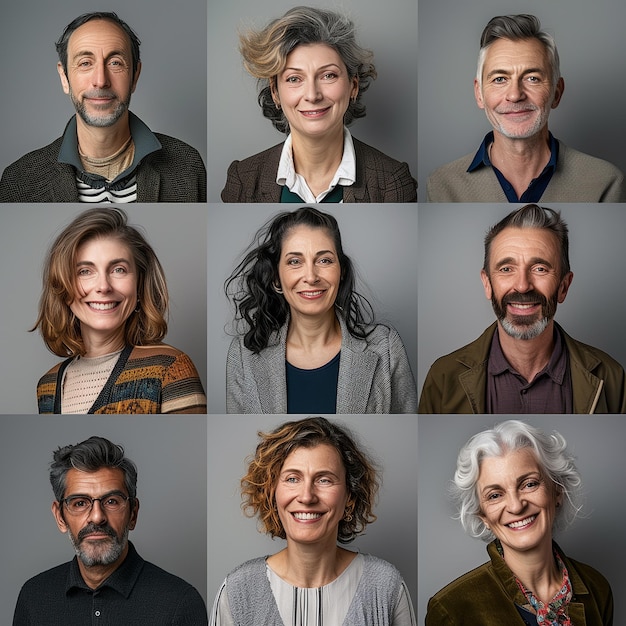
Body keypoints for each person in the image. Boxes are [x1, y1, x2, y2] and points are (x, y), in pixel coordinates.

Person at [419, 204, 626, 413]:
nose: (522, 285)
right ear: (487, 284)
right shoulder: (443, 378)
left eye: (540, 269)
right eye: (507, 269)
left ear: (563, 287)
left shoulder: (611, 377)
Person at [210, 416, 416, 625]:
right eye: (292, 479)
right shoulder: (238, 590)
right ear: (272, 493)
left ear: (349, 497)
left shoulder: (386, 586)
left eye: (324, 479)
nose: (307, 496)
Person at [225, 207, 417, 413]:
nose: (311, 276)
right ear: (275, 278)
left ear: (341, 271)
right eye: (295, 261)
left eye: (324, 260)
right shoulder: (243, 354)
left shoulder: (385, 347)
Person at [0, 12, 206, 202]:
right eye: (85, 63)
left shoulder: (188, 166)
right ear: (64, 77)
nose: (100, 80)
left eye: (115, 63)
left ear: (135, 75)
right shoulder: (18, 181)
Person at [425, 420, 614, 625]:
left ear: (557, 491)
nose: (516, 506)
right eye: (495, 495)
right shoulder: (451, 610)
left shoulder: (597, 587)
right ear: (482, 516)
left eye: (529, 484)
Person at [221, 6, 416, 203]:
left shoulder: (393, 180)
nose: (312, 95)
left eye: (328, 75)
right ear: (275, 92)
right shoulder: (243, 179)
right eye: (294, 79)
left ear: (353, 86)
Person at [427, 14, 625, 202]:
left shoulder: (606, 183)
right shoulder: (442, 185)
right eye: (500, 79)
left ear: (557, 92)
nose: (515, 95)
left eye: (532, 78)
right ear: (479, 94)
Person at [12, 436, 208, 625]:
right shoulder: (33, 597)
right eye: (80, 503)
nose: (97, 517)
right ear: (60, 517)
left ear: (133, 513)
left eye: (111, 501)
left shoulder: (180, 603)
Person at [31, 207, 206, 414]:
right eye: (85, 271)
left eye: (118, 270)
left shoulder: (172, 368)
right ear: (63, 287)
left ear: (139, 285)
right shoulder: (47, 385)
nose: (103, 286)